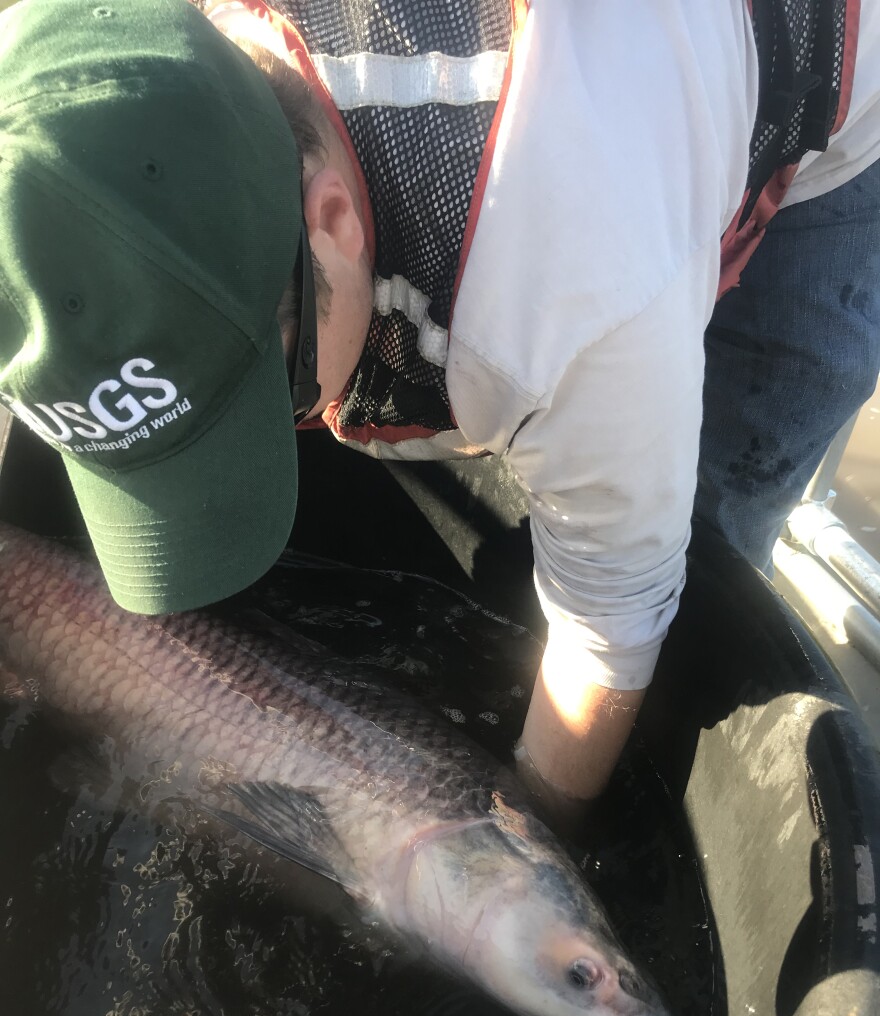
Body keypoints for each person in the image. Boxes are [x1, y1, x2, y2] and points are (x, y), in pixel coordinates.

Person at [1, 0, 878, 827]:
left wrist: (543, 827)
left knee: (706, 529)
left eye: (288, 399)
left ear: (333, 221)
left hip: (818, 100)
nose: (297, 423)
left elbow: (613, 623)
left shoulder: (566, 292)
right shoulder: (101, 79)